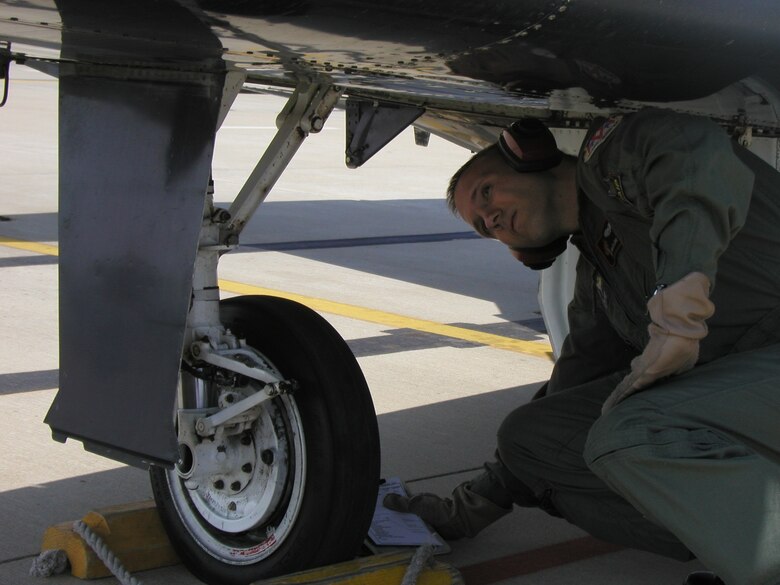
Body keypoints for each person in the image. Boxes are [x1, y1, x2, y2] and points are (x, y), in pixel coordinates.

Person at [384, 109, 780, 585]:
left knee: (631, 432)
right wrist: (468, 509)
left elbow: (691, 151)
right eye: (484, 226)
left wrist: (681, 297)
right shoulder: (601, 280)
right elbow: (571, 387)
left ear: (527, 156)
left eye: (486, 192)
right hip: (746, 394)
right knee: (531, 436)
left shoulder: (612, 158)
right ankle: (725, 540)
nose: (490, 217)